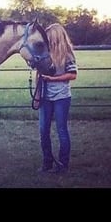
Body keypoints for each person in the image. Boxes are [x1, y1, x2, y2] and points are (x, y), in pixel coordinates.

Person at [36, 23, 78, 173]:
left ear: (55, 38)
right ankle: (47, 162)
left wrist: (52, 79)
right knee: (43, 130)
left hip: (62, 97)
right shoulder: (44, 54)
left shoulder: (67, 54)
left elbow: (73, 75)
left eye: (48, 37)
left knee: (61, 130)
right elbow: (38, 74)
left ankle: (63, 164)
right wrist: (37, 94)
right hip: (45, 97)